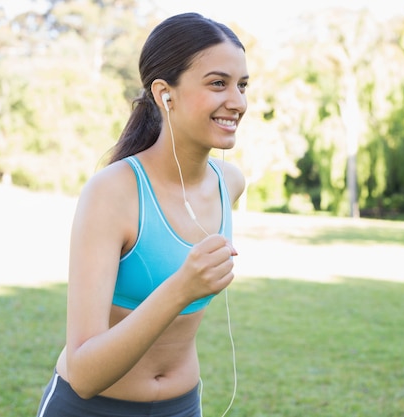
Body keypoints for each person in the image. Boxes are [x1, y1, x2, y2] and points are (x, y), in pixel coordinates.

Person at [36, 12, 248, 417]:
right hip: (88, 409)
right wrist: (181, 287)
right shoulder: (111, 193)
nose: (237, 102)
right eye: (218, 83)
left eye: (242, 85)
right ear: (165, 93)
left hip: (182, 407)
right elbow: (83, 372)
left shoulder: (231, 183)